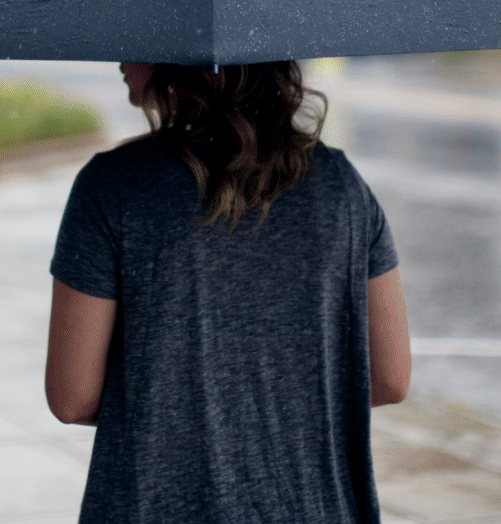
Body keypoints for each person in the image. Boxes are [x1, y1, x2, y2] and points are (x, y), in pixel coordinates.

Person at [47, 60, 410, 523]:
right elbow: (391, 378)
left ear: (176, 51)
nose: (117, 55)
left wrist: (184, 395)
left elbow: (72, 395)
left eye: (134, 35)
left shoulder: (113, 187)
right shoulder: (342, 187)